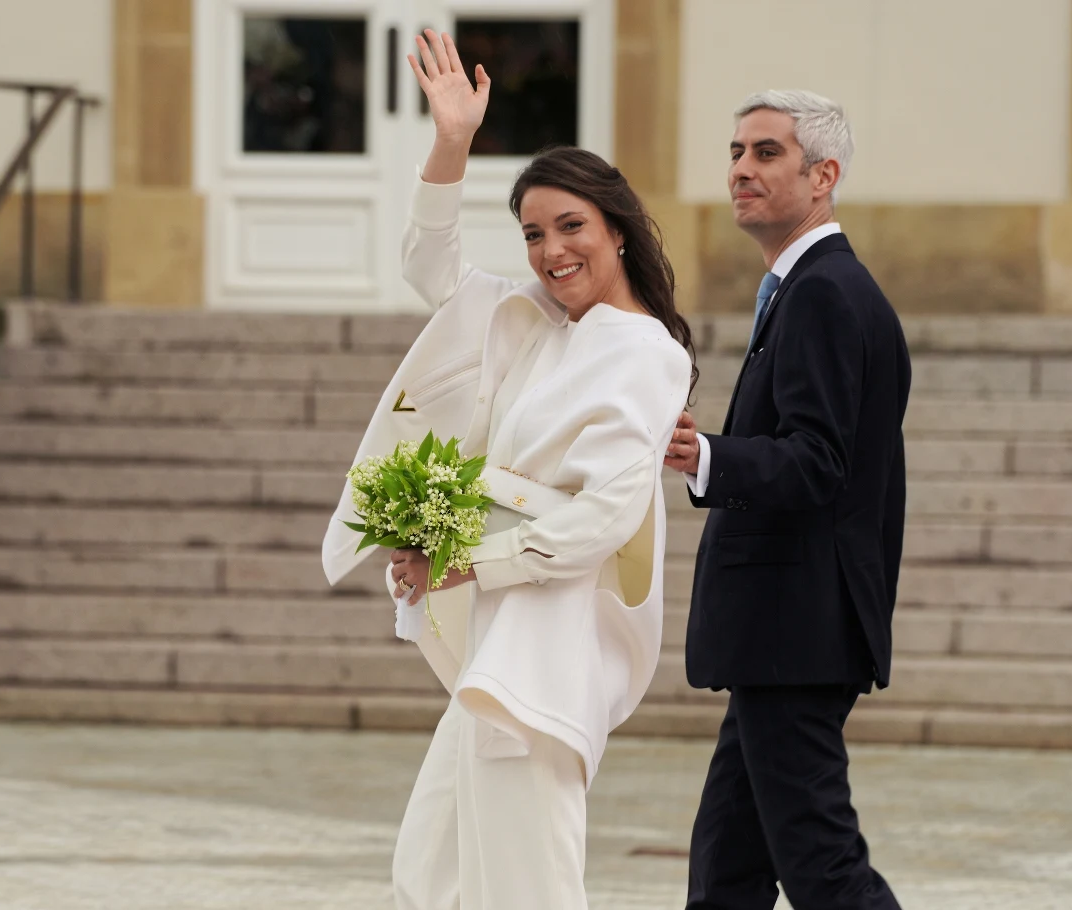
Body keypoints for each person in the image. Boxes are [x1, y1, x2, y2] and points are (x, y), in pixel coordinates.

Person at [321, 30, 696, 910]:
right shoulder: (536, 321)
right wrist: (451, 144)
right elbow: (430, 266)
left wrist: (462, 560)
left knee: (526, 888)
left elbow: (601, 515)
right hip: (503, 650)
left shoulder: (641, 351)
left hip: (551, 655)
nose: (551, 250)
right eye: (533, 233)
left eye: (572, 227)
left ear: (619, 228)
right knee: (432, 875)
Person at [664, 90, 910, 909]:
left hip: (796, 629)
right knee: (728, 866)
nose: (741, 170)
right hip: (783, 634)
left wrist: (707, 455)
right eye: (735, 152)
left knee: (820, 864)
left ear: (824, 174)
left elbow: (818, 463)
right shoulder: (808, 288)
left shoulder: (826, 294)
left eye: (766, 153)